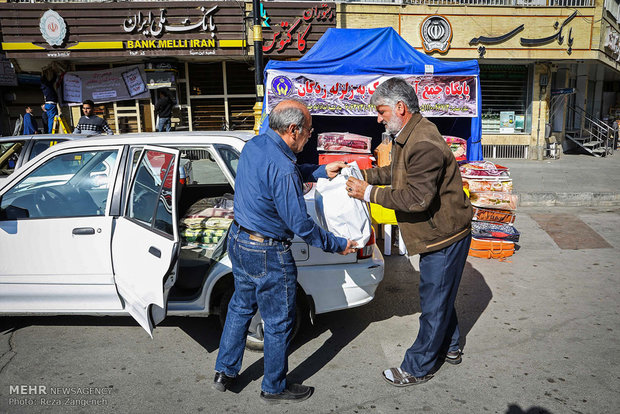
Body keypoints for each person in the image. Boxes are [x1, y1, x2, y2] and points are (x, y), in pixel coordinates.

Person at [214, 99, 357, 403]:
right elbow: (302, 225)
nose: (309, 137)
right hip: (267, 252)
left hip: (239, 240)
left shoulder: (255, 145)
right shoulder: (283, 168)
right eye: (308, 132)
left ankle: (224, 372)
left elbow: (283, 172)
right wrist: (338, 244)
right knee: (278, 321)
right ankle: (274, 386)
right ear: (293, 130)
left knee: (240, 307)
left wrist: (319, 170)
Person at [346, 77, 473, 387]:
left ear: (400, 107)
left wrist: (368, 193)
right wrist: (362, 174)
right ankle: (452, 346)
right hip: (439, 232)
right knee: (440, 294)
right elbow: (396, 173)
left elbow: (415, 198)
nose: (378, 118)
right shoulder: (408, 134)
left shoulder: (423, 142)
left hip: (443, 235)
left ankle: (417, 367)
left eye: (381, 111)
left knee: (433, 300)